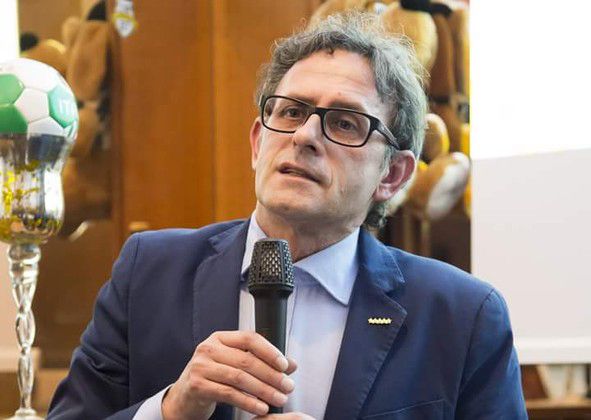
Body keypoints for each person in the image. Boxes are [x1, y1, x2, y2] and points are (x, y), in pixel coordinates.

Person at [48, 12, 527, 420]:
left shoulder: (462, 316)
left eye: (345, 122)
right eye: (292, 113)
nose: (305, 136)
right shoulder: (149, 273)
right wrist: (171, 409)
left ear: (393, 174)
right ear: (258, 143)